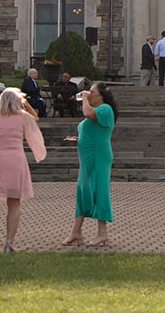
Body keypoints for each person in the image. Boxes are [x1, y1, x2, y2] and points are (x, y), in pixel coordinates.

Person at [0, 86, 47, 253]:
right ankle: (9, 243)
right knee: (14, 203)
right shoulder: (23, 117)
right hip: (15, 160)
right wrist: (26, 105)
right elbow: (36, 119)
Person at [63, 81, 116, 247]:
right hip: (87, 157)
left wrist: (84, 99)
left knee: (99, 189)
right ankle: (76, 231)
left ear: (101, 95)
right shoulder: (97, 110)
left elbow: (88, 114)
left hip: (98, 155)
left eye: (92, 92)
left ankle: (102, 232)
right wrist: (79, 140)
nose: (88, 93)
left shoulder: (105, 109)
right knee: (83, 190)